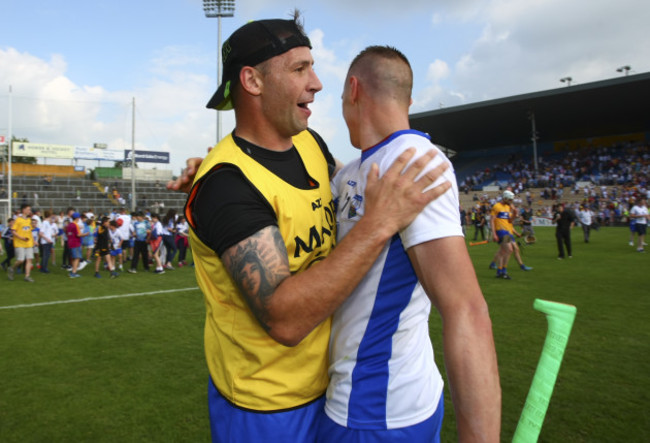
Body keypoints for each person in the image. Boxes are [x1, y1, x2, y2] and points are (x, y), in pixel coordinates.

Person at [179, 15, 449, 443]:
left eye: (313, 66)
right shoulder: (226, 187)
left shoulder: (310, 143)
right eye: (300, 68)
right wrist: (379, 223)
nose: (319, 82)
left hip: (331, 388)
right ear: (252, 80)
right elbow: (284, 320)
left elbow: (343, 190)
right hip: (266, 409)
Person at [320, 45, 500, 442]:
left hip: (377, 408)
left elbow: (466, 309)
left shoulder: (414, 162)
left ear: (353, 89)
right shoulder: (358, 167)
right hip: (363, 399)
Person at [490, 191, 532, 279]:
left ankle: (499, 272)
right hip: (501, 231)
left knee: (503, 251)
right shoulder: (497, 206)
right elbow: (492, 220)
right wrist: (494, 233)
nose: (511, 202)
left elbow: (510, 221)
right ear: (505, 198)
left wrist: (515, 213)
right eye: (509, 200)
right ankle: (503, 271)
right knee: (509, 249)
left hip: (508, 232)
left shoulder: (507, 207)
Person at [7, 204, 35, 282]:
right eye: (28, 209)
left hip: (28, 243)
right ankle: (12, 268)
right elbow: (13, 231)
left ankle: (27, 276)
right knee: (21, 260)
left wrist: (34, 241)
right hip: (19, 243)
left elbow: (30, 231)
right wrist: (21, 238)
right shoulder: (18, 220)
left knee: (29, 259)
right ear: (23, 210)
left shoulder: (29, 220)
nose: (29, 211)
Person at [65, 212, 87, 278]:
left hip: (70, 242)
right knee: (77, 258)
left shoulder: (70, 224)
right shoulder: (75, 225)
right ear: (77, 218)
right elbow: (78, 234)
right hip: (76, 243)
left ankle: (73, 271)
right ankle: (73, 272)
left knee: (74, 258)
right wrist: (86, 234)